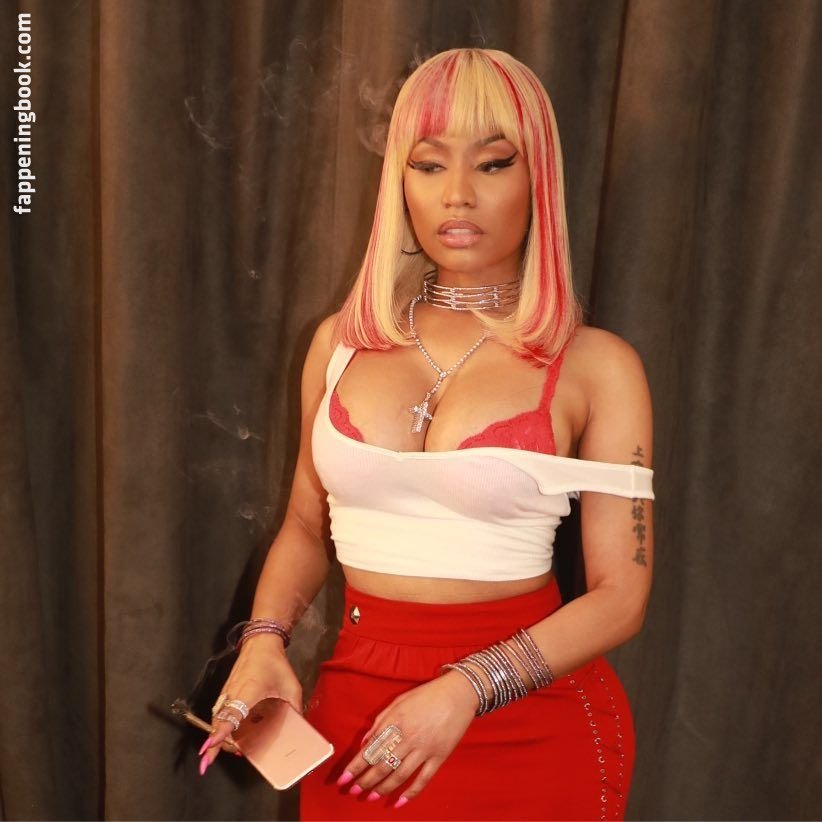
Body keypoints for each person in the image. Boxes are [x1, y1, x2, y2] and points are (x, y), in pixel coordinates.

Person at [198, 48, 655, 821]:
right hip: (359, 729)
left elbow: (622, 598)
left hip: (529, 722)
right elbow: (305, 528)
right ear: (399, 182)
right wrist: (264, 642)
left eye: (494, 163)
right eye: (429, 164)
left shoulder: (597, 365)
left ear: (539, 179)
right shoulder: (339, 345)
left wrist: (467, 687)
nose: (458, 194)